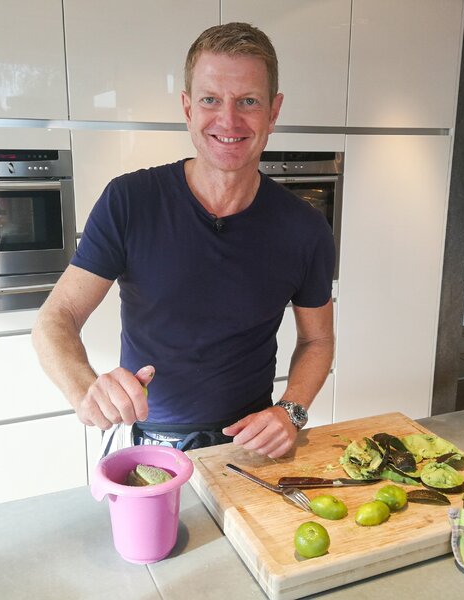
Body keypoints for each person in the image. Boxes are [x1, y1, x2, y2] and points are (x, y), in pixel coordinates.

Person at [32, 22, 335, 458]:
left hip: (249, 445)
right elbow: (56, 317)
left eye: (248, 101)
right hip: (145, 441)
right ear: (188, 108)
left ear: (273, 111)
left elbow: (317, 341)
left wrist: (291, 411)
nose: (228, 120)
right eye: (211, 99)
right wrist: (85, 391)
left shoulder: (305, 228)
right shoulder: (129, 200)